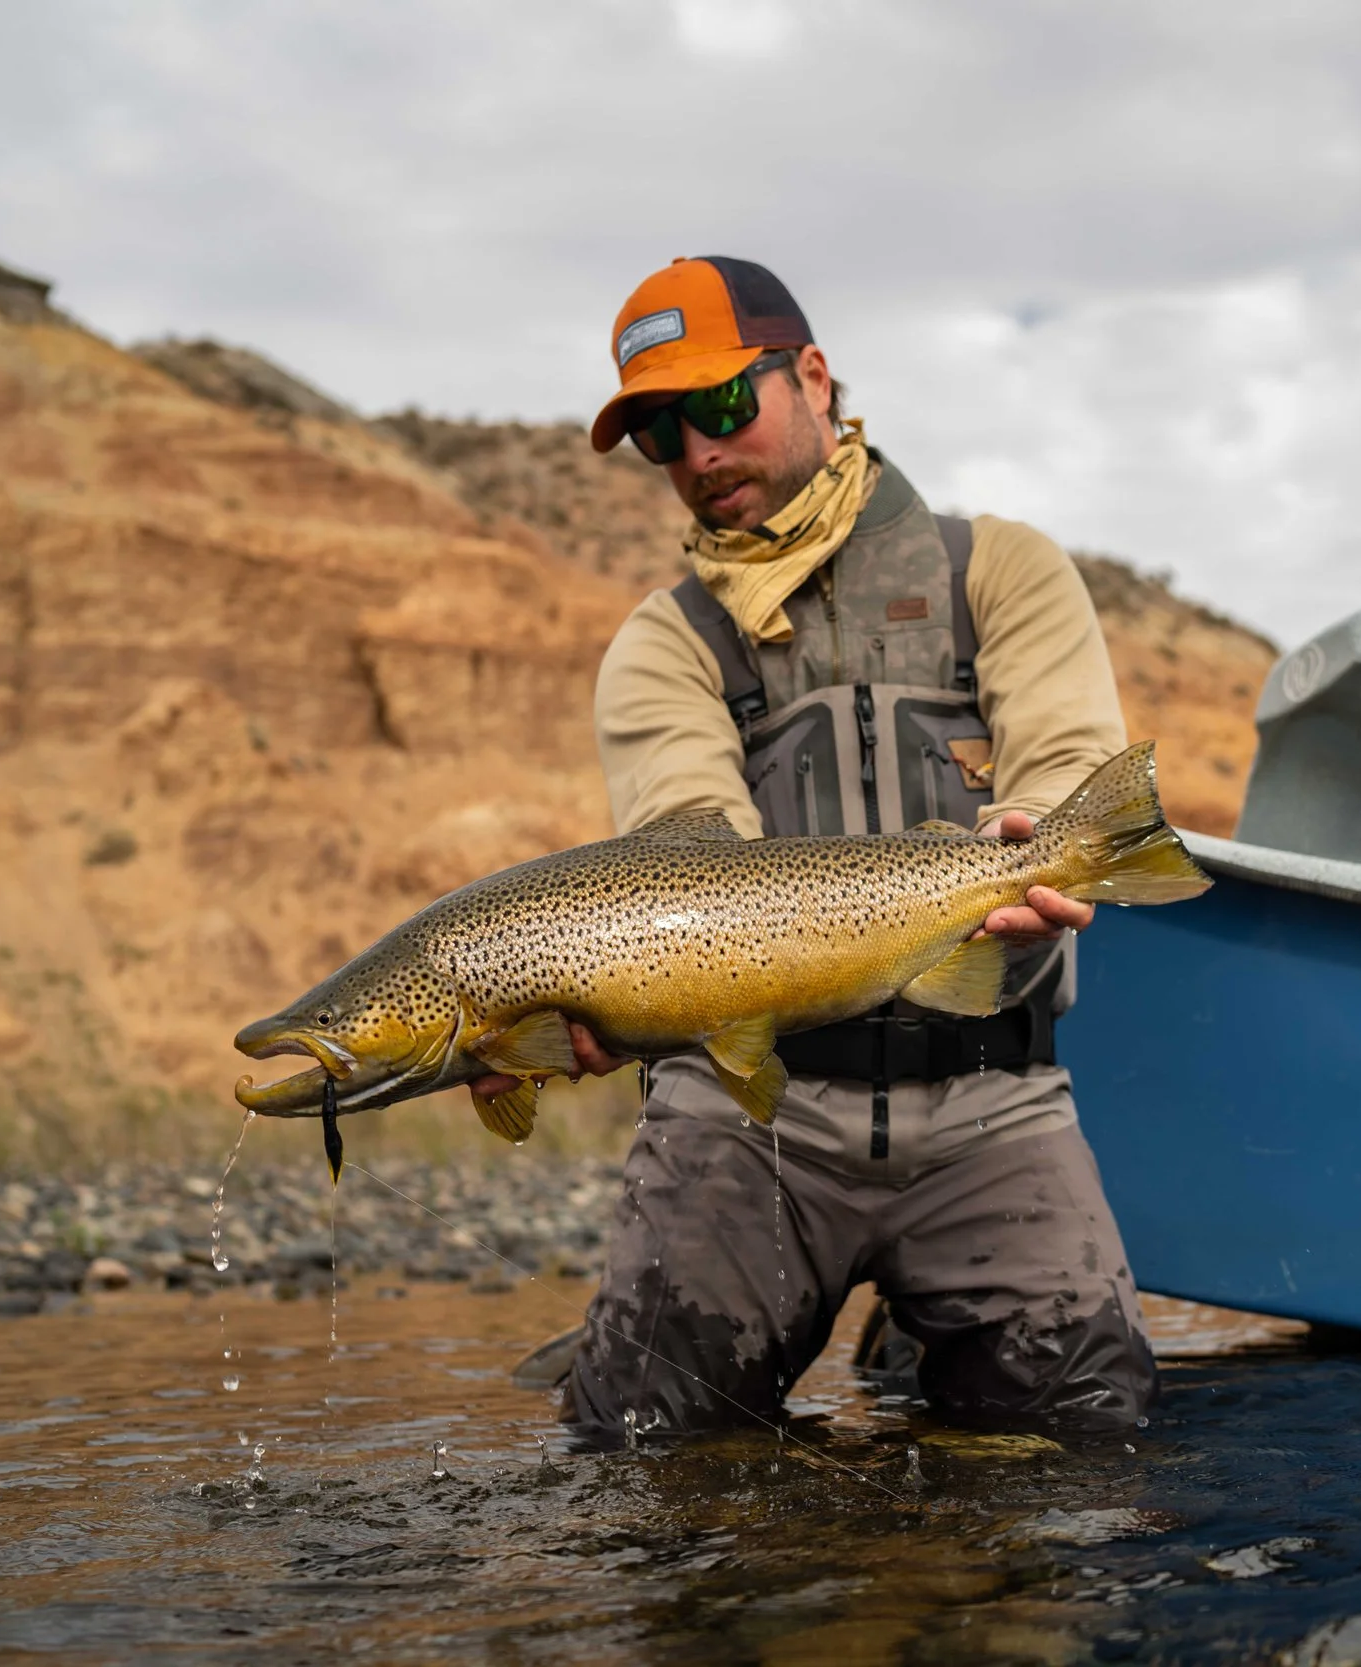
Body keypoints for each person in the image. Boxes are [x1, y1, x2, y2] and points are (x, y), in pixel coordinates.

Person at [485, 255, 1159, 1439]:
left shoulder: (997, 570)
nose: (698, 452)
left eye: (721, 404)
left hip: (994, 1101)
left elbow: (1065, 763)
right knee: (648, 1451)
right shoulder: (664, 643)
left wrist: (1037, 841)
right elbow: (694, 868)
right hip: (751, 1116)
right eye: (660, 433)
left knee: (1081, 1453)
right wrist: (588, 1005)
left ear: (811, 375)